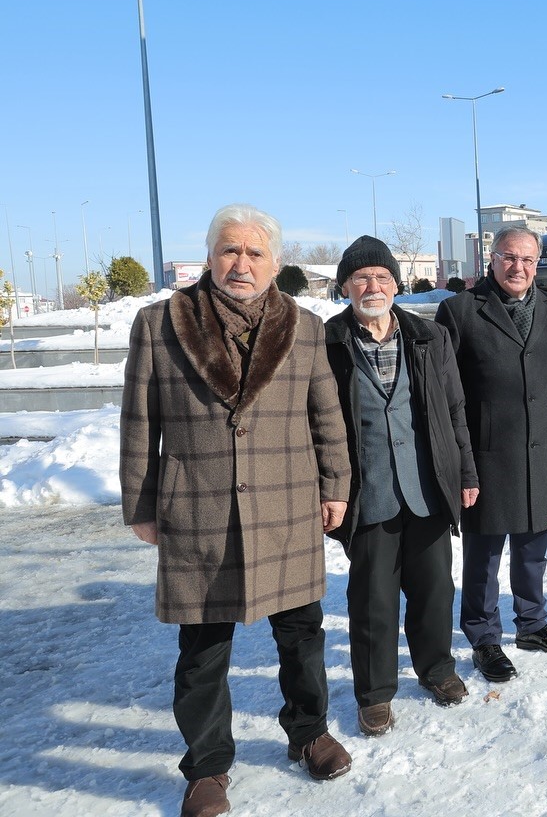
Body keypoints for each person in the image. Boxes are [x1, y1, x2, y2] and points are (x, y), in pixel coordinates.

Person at [120, 204, 352, 817]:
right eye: (230, 250)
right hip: (199, 509)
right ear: (209, 256)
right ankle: (206, 768)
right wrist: (141, 503)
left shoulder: (304, 327)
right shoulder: (160, 323)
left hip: (287, 506)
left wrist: (336, 484)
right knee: (203, 650)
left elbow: (326, 413)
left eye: (255, 252)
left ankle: (309, 734)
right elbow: (139, 421)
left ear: (275, 264)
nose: (241, 263)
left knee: (302, 636)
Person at [323, 235, 479, 738]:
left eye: (382, 277)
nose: (373, 286)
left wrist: (466, 473)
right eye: (361, 278)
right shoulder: (326, 343)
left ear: (395, 284)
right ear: (345, 287)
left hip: (427, 485)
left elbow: (454, 409)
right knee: (373, 599)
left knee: (435, 588)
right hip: (367, 490)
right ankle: (374, 694)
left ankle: (436, 669)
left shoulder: (428, 336)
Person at [435, 227, 547, 685]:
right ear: (492, 258)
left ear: (537, 263)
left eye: (527, 259)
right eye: (509, 257)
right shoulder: (460, 310)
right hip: (487, 450)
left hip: (544, 446)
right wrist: (458, 458)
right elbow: (446, 392)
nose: (518, 267)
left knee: (533, 548)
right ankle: (483, 637)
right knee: (483, 554)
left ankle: (532, 625)